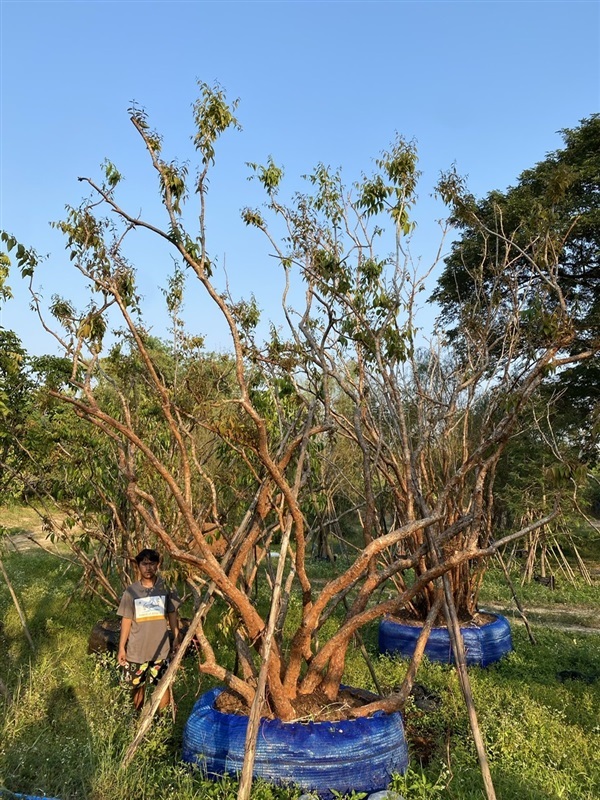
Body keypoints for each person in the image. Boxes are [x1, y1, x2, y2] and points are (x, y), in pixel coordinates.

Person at [117, 548, 181, 712]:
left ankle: (162, 721)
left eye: (152, 564)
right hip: (136, 650)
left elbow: (172, 614)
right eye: (144, 564)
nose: (148, 568)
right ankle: (137, 719)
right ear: (138, 566)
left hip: (161, 650)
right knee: (137, 686)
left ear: (158, 565)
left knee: (163, 685)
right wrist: (122, 647)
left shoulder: (166, 588)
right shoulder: (131, 592)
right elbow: (126, 619)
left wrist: (176, 637)